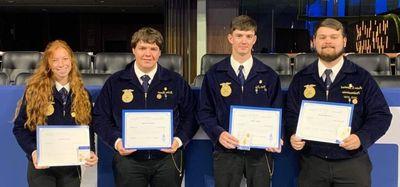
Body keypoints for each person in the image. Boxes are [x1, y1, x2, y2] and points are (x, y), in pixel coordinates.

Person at [286, 18, 392, 187]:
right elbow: (290, 114)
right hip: (313, 164)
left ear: (344, 41)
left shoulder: (361, 77)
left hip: (352, 163)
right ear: (314, 42)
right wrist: (292, 134)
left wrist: (361, 138)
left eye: (333, 37)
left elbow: (381, 116)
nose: (327, 41)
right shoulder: (301, 78)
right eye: (322, 37)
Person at [92, 27, 197, 187]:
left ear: (160, 52)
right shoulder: (115, 82)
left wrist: (178, 140)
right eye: (142, 48)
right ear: (133, 50)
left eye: (153, 48)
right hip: (128, 160)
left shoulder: (176, 82)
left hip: (168, 159)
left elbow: (191, 115)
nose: (148, 54)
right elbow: (100, 117)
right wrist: (117, 141)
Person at [197, 15, 283, 187]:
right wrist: (218, 133)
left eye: (248, 36)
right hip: (226, 150)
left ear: (255, 40)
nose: (244, 41)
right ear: (230, 38)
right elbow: (204, 112)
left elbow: (278, 109)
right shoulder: (214, 74)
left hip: (260, 151)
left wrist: (277, 136)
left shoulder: (269, 75)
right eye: (239, 36)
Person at [13, 40, 98, 187]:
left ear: (71, 61)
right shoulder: (34, 91)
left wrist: (90, 150)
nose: (61, 64)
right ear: (48, 64)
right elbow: (19, 128)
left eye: (65, 59)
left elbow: (87, 128)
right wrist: (33, 152)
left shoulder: (83, 94)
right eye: (55, 60)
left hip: (70, 168)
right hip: (42, 168)